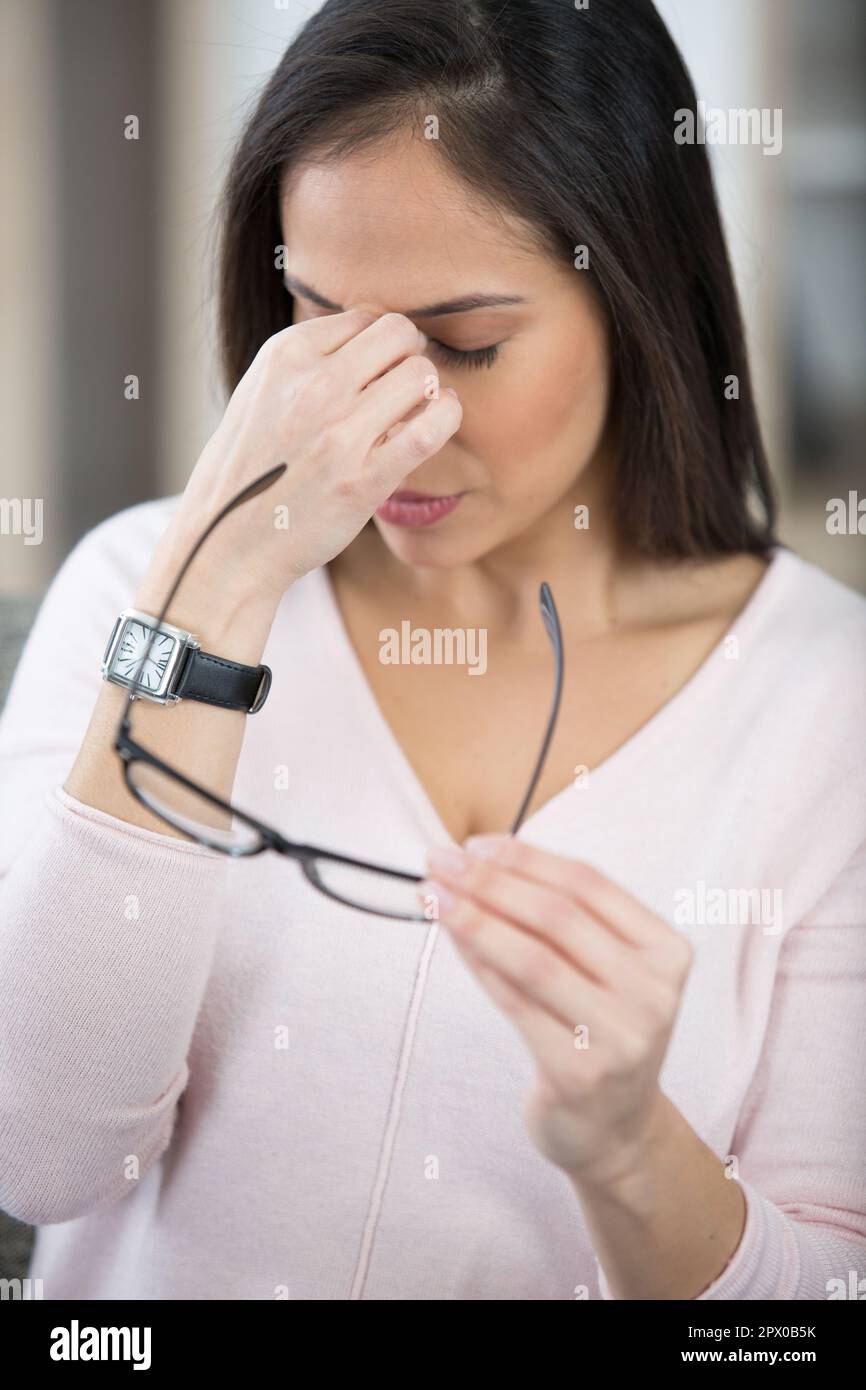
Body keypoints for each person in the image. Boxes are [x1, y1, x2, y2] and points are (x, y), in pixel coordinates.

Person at [1, 0, 864, 1301]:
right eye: (319, 321)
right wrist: (212, 585)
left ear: (640, 298)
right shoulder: (139, 585)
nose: (382, 428)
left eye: (464, 345)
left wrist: (628, 1149)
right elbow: (35, 1154)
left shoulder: (825, 700)